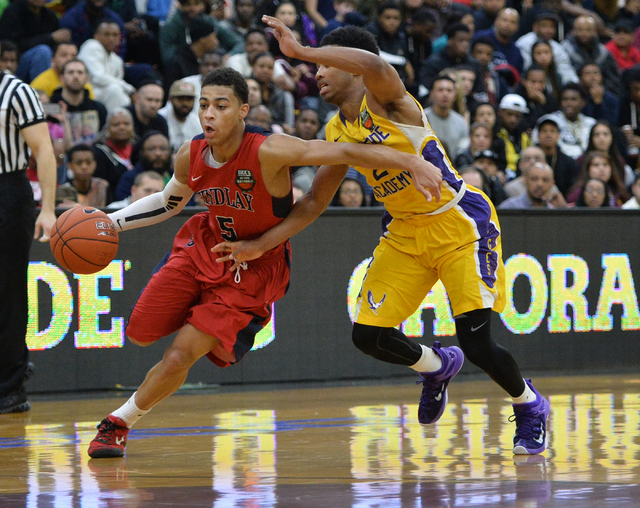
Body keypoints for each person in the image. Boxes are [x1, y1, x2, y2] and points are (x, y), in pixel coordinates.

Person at [215, 19, 551, 456]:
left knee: (476, 341)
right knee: (367, 335)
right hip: (405, 233)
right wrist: (262, 244)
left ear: (349, 68)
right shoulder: (337, 131)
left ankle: (529, 404)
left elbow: (373, 61)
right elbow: (315, 201)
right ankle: (435, 367)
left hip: (458, 225)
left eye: (326, 65)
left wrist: (301, 51)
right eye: (315, 67)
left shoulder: (391, 101)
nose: (317, 74)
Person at [86, 66, 443, 458]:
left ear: (243, 111)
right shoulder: (190, 154)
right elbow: (169, 201)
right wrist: (110, 222)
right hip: (204, 245)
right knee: (140, 332)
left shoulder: (270, 150)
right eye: (204, 106)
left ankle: (118, 423)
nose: (208, 114)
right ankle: (195, 308)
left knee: (179, 355)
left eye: (220, 106)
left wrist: (412, 162)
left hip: (253, 268)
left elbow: (344, 150)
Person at [0, 70, 57, 414]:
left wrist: (47, 208)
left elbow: (44, 149)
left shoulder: (16, 91)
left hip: (7, 191)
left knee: (7, 292)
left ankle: (10, 385)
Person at [78, 21, 135, 111]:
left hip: (102, 95)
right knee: (114, 90)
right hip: (83, 93)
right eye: (106, 35)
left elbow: (117, 83)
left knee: (118, 92)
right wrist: (130, 89)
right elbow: (99, 78)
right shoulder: (91, 46)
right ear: (96, 36)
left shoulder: (117, 60)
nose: (111, 39)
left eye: (115, 35)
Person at [50, 59, 108, 145]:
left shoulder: (99, 108)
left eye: (80, 72)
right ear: (62, 78)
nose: (75, 76)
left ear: (87, 79)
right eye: (71, 72)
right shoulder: (51, 108)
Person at [93, 107, 136, 204]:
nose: (122, 127)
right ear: (107, 128)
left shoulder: (139, 149)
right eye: (116, 124)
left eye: (126, 124)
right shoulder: (99, 152)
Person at [425, 75, 470, 161]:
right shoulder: (420, 118)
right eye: (440, 90)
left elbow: (462, 151)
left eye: (449, 90)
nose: (445, 94)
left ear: (455, 95)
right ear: (431, 94)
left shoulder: (461, 122)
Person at [30, 42, 95, 99]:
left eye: (73, 56)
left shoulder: (84, 85)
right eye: (64, 55)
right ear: (53, 60)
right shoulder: (41, 85)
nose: (69, 59)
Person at [498, 161, 566, 208]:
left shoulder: (557, 207)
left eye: (545, 180)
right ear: (526, 181)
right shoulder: (509, 208)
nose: (539, 184)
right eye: (534, 179)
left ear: (552, 184)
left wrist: (563, 209)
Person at [158, 80, 202, 154]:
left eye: (189, 99)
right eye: (180, 99)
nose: (185, 103)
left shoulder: (197, 122)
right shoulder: (160, 118)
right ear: (170, 99)